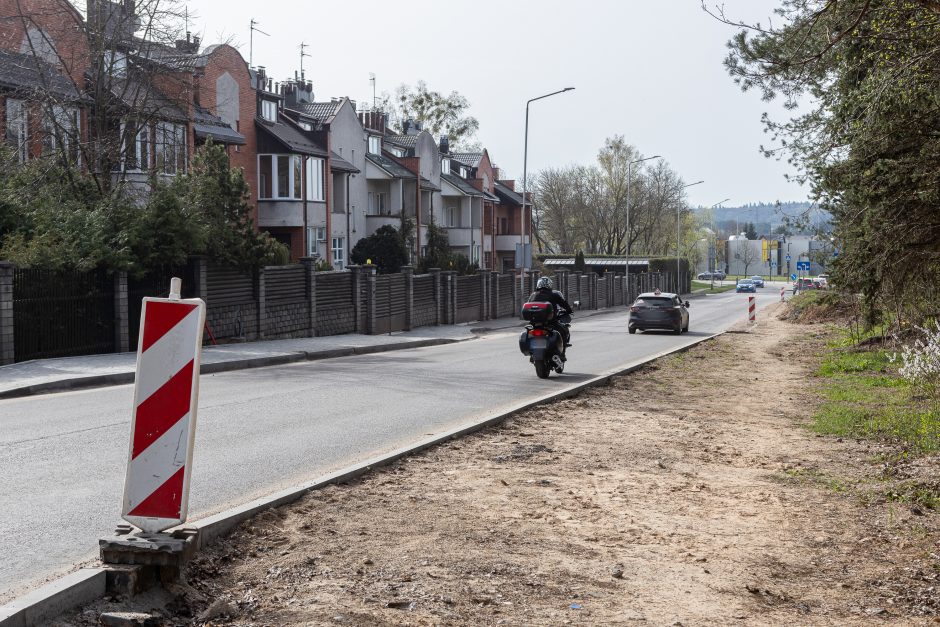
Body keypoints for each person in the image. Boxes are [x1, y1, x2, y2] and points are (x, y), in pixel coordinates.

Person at [527, 276, 574, 346]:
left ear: (538, 285)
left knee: (528, 332)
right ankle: (562, 350)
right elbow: (564, 304)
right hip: (550, 322)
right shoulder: (554, 295)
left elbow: (528, 305)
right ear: (549, 285)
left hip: (534, 322)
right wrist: (569, 310)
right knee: (564, 331)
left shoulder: (533, 295)